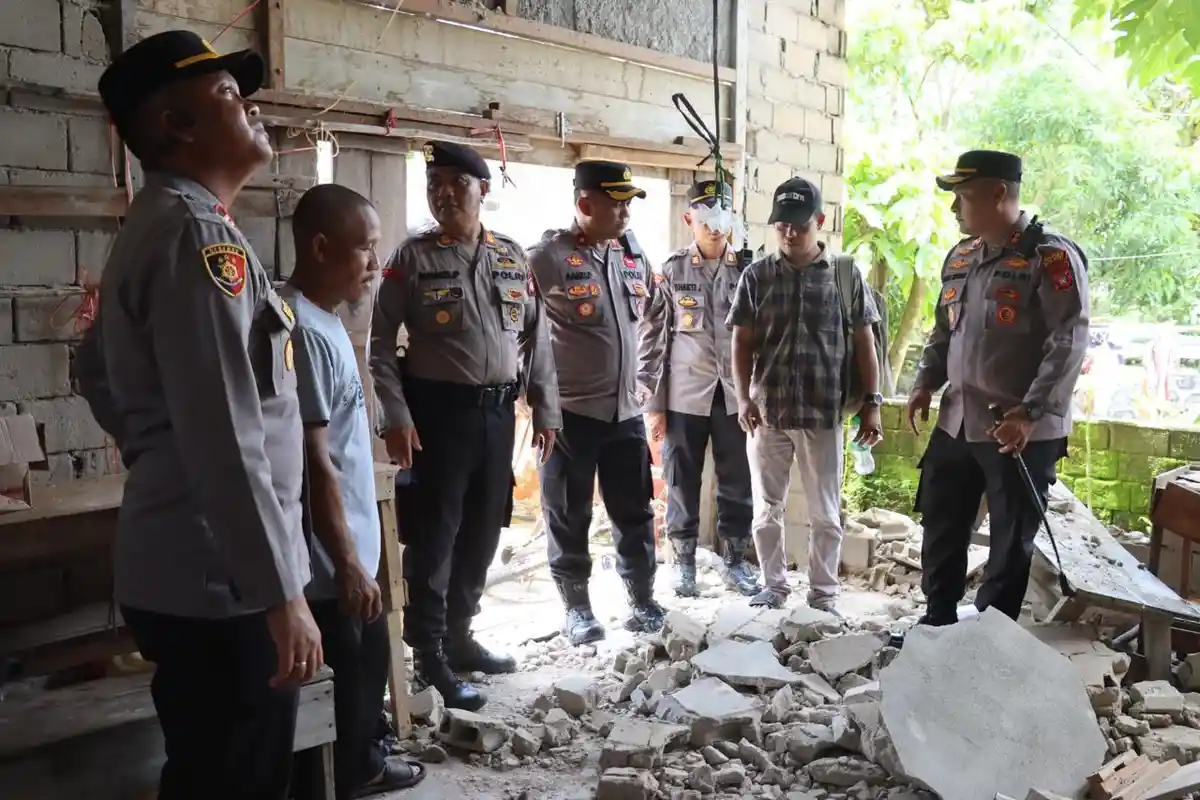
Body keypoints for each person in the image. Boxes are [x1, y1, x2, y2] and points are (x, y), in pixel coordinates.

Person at [77, 30, 322, 799]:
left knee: (212, 771)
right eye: (224, 95)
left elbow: (95, 370)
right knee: (238, 779)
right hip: (226, 583)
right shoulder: (196, 235)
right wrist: (281, 594)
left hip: (199, 563)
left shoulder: (166, 223)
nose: (247, 106)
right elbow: (223, 432)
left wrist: (159, 455)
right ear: (176, 128)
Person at [370, 141, 560, 711]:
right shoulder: (413, 257)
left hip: (498, 415)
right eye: (435, 183)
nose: (444, 192)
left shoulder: (510, 257)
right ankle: (428, 656)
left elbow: (537, 337)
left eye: (457, 182)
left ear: (483, 191)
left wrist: (544, 407)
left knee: (482, 529)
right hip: (437, 417)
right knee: (434, 535)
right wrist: (396, 416)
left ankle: (460, 636)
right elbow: (380, 346)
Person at [284, 184, 425, 797]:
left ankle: (363, 759)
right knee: (347, 682)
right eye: (364, 249)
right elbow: (314, 463)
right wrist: (346, 564)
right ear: (320, 247)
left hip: (348, 553)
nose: (375, 262)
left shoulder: (325, 320)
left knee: (364, 676)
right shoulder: (305, 333)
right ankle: (355, 773)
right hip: (328, 567)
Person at [908, 150, 1089, 625]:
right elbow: (943, 332)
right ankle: (938, 621)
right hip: (958, 419)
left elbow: (1067, 341)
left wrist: (1030, 412)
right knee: (942, 521)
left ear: (998, 194)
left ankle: (990, 635)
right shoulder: (961, 257)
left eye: (963, 197)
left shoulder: (1049, 257)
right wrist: (925, 382)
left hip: (1018, 428)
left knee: (1011, 537)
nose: (954, 209)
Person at [727, 177, 883, 613]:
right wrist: (743, 399)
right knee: (765, 511)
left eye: (798, 224)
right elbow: (740, 343)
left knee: (826, 515)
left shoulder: (847, 277)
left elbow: (865, 345)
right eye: (781, 225)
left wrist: (871, 406)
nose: (789, 233)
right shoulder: (756, 277)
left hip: (824, 414)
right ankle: (773, 587)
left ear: (820, 220)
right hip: (767, 414)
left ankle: (823, 595)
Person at [527, 161, 667, 645]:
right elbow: (519, 329)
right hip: (571, 418)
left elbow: (658, 313)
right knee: (568, 515)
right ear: (585, 205)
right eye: (616, 202)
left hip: (625, 414)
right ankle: (577, 610)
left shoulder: (631, 254)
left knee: (635, 512)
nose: (626, 212)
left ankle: (643, 599)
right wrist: (537, 399)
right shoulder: (547, 257)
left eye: (629, 202)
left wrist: (646, 380)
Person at [639, 179, 760, 598]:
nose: (714, 228)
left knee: (737, 480)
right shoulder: (672, 270)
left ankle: (736, 561)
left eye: (722, 218)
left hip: (735, 396)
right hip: (685, 395)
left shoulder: (749, 270)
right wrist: (654, 404)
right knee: (680, 480)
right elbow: (653, 338)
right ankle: (684, 562)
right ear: (689, 219)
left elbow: (760, 337)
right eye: (705, 218)